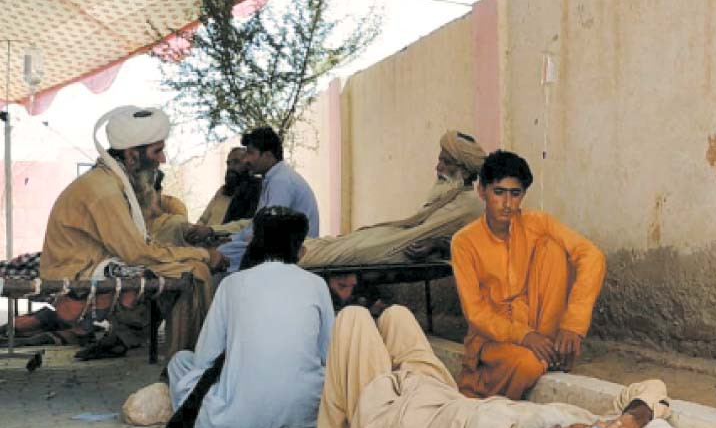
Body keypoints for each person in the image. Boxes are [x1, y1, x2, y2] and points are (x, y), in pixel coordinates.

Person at [299, 305, 678, 428]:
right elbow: (654, 388)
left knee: (352, 318)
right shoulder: (585, 424)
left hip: (391, 422)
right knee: (397, 315)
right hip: (439, 395)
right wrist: (632, 419)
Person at [39, 105, 228, 359]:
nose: (163, 159)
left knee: (190, 265)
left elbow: (141, 239)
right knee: (194, 271)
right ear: (131, 155)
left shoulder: (115, 182)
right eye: (157, 151)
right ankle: (184, 362)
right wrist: (204, 254)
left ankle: (188, 356)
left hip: (100, 261)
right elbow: (137, 253)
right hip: (78, 270)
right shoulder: (103, 189)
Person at [164, 206, 334, 428]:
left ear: (253, 242)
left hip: (238, 418)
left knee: (180, 362)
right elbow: (329, 355)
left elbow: (205, 357)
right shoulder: (316, 284)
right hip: (306, 416)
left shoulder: (232, 284)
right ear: (301, 251)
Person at [451, 150, 606, 400]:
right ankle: (483, 393)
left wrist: (573, 325)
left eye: (515, 194)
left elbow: (592, 256)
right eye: (498, 192)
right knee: (527, 363)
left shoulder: (538, 223)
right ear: (482, 191)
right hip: (495, 339)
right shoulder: (464, 242)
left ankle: (552, 351)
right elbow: (476, 313)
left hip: (540, 329)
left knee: (553, 249)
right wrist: (524, 336)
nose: (507, 203)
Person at [299, 131, 485, 267]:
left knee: (346, 251)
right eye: (440, 160)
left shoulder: (473, 207)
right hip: (395, 238)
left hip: (400, 250)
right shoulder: (448, 195)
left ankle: (293, 256)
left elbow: (476, 248)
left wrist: (437, 244)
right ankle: (293, 249)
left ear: (466, 170)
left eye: (446, 162)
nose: (438, 167)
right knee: (341, 240)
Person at [188, 126, 320, 272]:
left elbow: (268, 230)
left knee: (212, 258)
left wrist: (229, 244)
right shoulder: (272, 179)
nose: (246, 160)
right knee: (211, 254)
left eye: (251, 153)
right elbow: (255, 225)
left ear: (268, 155)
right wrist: (231, 239)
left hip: (291, 249)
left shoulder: (281, 181)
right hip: (273, 246)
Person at [193, 147, 261, 229]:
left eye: (236, 162)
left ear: (248, 165)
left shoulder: (255, 189)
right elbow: (203, 219)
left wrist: (212, 231)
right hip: (203, 238)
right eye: (228, 163)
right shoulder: (222, 191)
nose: (230, 167)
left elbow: (247, 226)